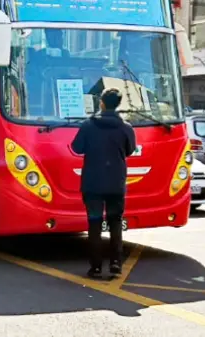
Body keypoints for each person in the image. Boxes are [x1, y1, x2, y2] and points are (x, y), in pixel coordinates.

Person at [71, 88, 136, 279]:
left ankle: (96, 266)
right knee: (115, 222)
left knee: (94, 224)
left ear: (101, 103)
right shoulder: (126, 127)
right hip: (116, 183)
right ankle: (116, 263)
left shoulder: (88, 125)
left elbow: (76, 148)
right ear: (118, 104)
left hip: (92, 183)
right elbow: (130, 150)